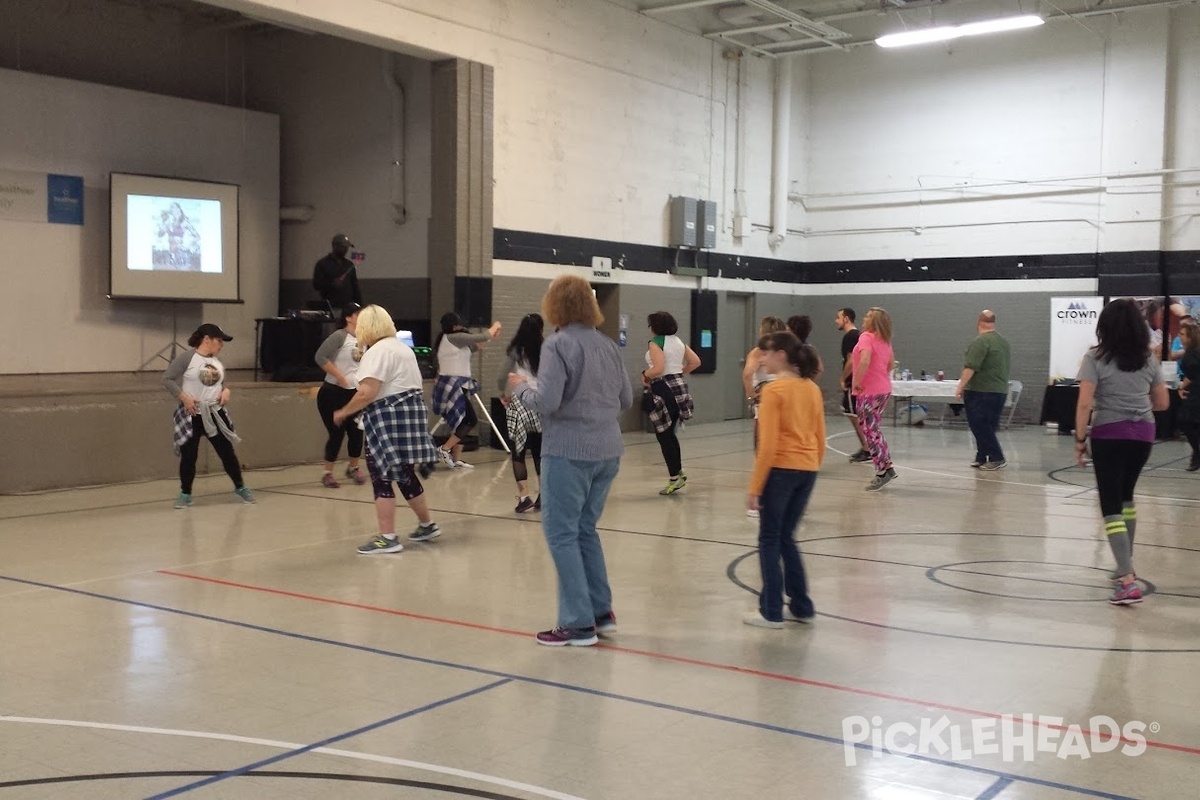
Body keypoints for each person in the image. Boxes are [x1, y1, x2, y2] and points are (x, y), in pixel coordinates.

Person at [508, 275, 633, 646]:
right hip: (608, 450)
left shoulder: (557, 345)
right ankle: (600, 612)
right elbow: (626, 398)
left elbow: (546, 402)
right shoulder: (608, 345)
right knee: (584, 530)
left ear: (555, 306)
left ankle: (578, 623)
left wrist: (520, 389)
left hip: (569, 452)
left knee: (561, 534)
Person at [1075, 298, 1169, 604]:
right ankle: (1123, 564)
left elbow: (1085, 402)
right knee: (1127, 496)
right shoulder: (1148, 358)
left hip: (1109, 434)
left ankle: (1127, 579)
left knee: (1110, 503)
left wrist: (1079, 440)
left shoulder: (1095, 357)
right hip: (1143, 434)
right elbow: (1163, 403)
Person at [332, 305, 442, 554]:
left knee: (381, 475)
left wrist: (344, 411)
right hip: (410, 416)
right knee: (404, 473)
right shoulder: (402, 349)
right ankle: (427, 524)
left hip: (387, 419)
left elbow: (367, 393)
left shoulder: (377, 352)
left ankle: (387, 537)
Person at [744, 332, 825, 629]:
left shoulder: (775, 391)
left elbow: (767, 445)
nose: (761, 360)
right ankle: (801, 606)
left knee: (769, 539)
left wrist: (755, 487)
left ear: (780, 355)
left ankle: (771, 610)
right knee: (787, 538)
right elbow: (819, 438)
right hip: (807, 470)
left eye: (764, 354)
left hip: (779, 470)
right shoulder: (811, 389)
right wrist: (810, 465)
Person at [163, 323, 254, 508]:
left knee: (226, 452)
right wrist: (183, 397)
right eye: (218, 341)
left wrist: (226, 390)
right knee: (189, 455)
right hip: (193, 413)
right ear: (206, 340)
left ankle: (240, 486)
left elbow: (220, 383)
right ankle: (185, 493)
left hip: (214, 413)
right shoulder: (187, 359)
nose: (221, 345)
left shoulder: (217, 362)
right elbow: (167, 379)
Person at [642, 311, 701, 495]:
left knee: (664, 435)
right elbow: (695, 362)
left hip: (664, 389)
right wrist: (679, 373)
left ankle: (674, 478)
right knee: (670, 433)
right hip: (679, 388)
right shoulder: (678, 342)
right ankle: (678, 472)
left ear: (655, 327)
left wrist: (645, 374)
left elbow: (658, 368)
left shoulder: (656, 342)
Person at [432, 312, 502, 468]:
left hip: (458, 386)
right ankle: (444, 449)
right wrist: (495, 325)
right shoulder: (454, 337)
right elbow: (482, 337)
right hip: (453, 387)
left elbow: (478, 344)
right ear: (455, 325)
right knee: (470, 420)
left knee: (461, 421)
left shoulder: (453, 340)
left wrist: (490, 336)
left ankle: (456, 459)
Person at [313, 302, 367, 488]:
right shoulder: (339, 336)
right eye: (358, 314)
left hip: (354, 393)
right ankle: (327, 472)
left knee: (357, 431)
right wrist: (340, 376)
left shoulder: (364, 339)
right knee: (337, 433)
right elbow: (320, 357)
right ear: (349, 317)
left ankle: (353, 467)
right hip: (333, 392)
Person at [497, 313, 545, 513]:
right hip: (540, 401)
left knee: (518, 451)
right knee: (539, 452)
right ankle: (544, 496)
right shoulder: (547, 349)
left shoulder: (516, 350)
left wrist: (503, 394)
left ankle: (524, 497)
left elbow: (501, 377)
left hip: (520, 400)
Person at [953, 310, 1012, 471]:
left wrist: (960, 386)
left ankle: (997, 457)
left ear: (978, 323)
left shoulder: (980, 341)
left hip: (981, 390)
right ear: (994, 323)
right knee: (989, 426)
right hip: (999, 390)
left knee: (979, 425)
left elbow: (971, 367)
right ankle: (982, 456)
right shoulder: (1003, 342)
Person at [741, 316, 787, 518]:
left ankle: (763, 498)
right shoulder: (786, 352)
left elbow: (747, 373)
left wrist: (751, 394)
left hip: (767, 396)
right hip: (786, 395)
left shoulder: (759, 351)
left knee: (762, 445)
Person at [851, 307, 897, 491]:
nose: (864, 318)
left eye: (868, 316)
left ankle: (882, 471)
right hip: (883, 389)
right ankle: (886, 465)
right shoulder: (885, 340)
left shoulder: (866, 337)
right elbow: (891, 364)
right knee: (873, 428)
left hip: (868, 391)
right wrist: (879, 376)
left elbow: (864, 360)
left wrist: (857, 381)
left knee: (869, 431)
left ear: (874, 321)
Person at [835, 308, 871, 463]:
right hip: (859, 382)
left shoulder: (850, 336)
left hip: (852, 382)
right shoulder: (859, 336)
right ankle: (866, 447)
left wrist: (843, 378)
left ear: (846, 319)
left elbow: (851, 360)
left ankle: (867, 448)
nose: (836, 321)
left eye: (838, 317)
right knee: (856, 414)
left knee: (854, 415)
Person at [312, 233, 362, 313]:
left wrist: (360, 306)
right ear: (335, 246)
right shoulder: (323, 264)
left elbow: (355, 286)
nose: (346, 250)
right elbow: (316, 285)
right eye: (343, 247)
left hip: (348, 308)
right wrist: (331, 284)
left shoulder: (349, 265)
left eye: (346, 247)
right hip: (331, 307)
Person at [1175, 319, 1200, 472]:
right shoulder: (1191, 353)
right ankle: (1197, 452)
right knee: (1188, 421)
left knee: (1185, 420)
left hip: (1197, 392)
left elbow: (1191, 374)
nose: (1181, 337)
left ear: (1190, 337)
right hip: (1195, 391)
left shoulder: (1193, 354)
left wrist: (1180, 386)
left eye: (1183, 334)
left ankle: (1197, 453)